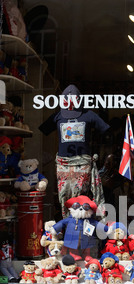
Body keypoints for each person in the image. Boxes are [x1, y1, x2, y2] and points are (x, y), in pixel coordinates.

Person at [39, 84, 110, 218]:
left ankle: (82, 228)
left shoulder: (89, 115)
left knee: (82, 199)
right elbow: (43, 130)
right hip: (63, 165)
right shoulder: (57, 117)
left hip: (83, 166)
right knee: (64, 198)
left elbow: (105, 129)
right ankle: (68, 226)